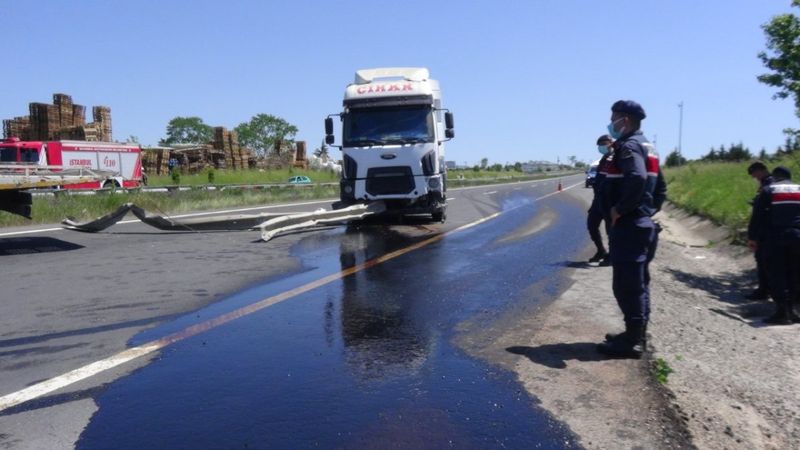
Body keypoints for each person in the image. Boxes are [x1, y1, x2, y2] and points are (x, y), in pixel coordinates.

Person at [596, 100, 664, 359]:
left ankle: (633, 341)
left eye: (613, 117)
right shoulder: (648, 146)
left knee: (627, 285)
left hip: (629, 226)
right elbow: (661, 188)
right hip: (641, 223)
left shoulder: (629, 145)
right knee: (638, 283)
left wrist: (621, 210)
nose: (610, 123)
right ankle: (636, 334)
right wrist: (647, 211)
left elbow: (636, 177)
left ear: (624, 120)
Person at [749, 166, 800, 325]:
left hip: (776, 237)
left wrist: (753, 237)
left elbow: (757, 216)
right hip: (798, 236)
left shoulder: (768, 190)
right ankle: (793, 310)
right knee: (795, 273)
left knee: (777, 273)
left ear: (775, 177)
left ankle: (782, 313)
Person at [745, 161, 774, 300]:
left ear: (761, 170)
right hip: (775, 229)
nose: (754, 177)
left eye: (754, 174)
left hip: (767, 230)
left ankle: (764, 290)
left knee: (763, 260)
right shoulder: (772, 183)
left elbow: (760, 212)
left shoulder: (768, 185)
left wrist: (752, 235)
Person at [587, 134, 614, 265]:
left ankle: (612, 256)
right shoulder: (604, 158)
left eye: (603, 144)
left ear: (610, 143)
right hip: (598, 199)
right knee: (591, 224)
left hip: (609, 200)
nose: (601, 147)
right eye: (599, 145)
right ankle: (601, 251)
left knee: (610, 230)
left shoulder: (615, 157)